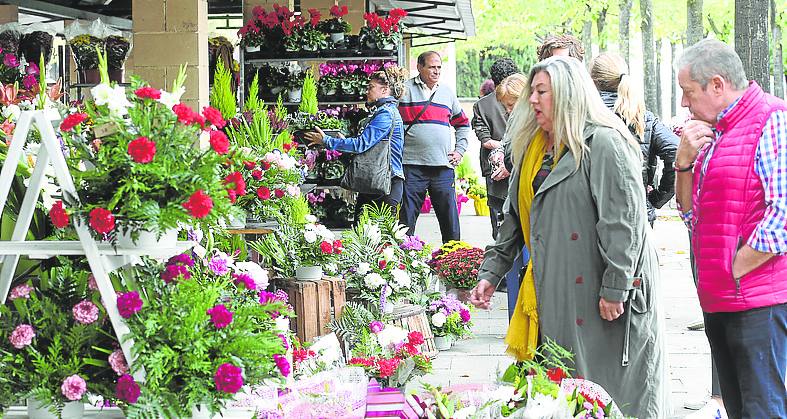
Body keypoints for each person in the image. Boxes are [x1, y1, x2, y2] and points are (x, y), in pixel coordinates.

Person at [470, 56, 668, 418]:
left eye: (541, 92)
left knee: (611, 395)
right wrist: (490, 273)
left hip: (604, 295)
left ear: (567, 94)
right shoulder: (533, 147)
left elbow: (623, 225)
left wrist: (615, 288)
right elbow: (514, 216)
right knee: (565, 389)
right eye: (532, 91)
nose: (532, 100)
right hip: (559, 291)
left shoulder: (605, 142)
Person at [674, 38, 787, 419]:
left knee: (763, 408)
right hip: (722, 298)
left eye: (688, 92)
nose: (685, 103)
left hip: (756, 301)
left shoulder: (771, 119)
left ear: (717, 85)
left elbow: (782, 217)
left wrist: (734, 268)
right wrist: (684, 163)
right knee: (741, 408)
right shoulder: (715, 130)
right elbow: (693, 218)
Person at [304, 65, 408, 220]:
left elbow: (360, 144)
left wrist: (326, 141)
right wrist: (344, 142)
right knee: (367, 236)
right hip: (377, 183)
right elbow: (369, 145)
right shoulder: (384, 111)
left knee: (377, 238)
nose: (367, 91)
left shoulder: (385, 113)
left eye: (371, 87)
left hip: (385, 185)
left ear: (385, 90)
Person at [589, 52, 678, 227]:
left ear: (593, 82)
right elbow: (676, 150)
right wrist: (656, 198)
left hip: (591, 213)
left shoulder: (582, 116)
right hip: (636, 213)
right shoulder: (642, 119)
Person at [398, 51, 470, 243]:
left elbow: (463, 124)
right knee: (406, 220)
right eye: (431, 67)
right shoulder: (404, 90)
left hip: (442, 167)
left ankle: (453, 258)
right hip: (411, 166)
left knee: (450, 221)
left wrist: (460, 150)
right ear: (420, 67)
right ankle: (403, 259)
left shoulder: (447, 92)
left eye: (439, 67)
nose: (436, 71)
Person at [471, 58, 520, 240]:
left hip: (495, 169)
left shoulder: (481, 105)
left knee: (499, 221)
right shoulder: (527, 100)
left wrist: (502, 152)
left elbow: (485, 140)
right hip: (514, 167)